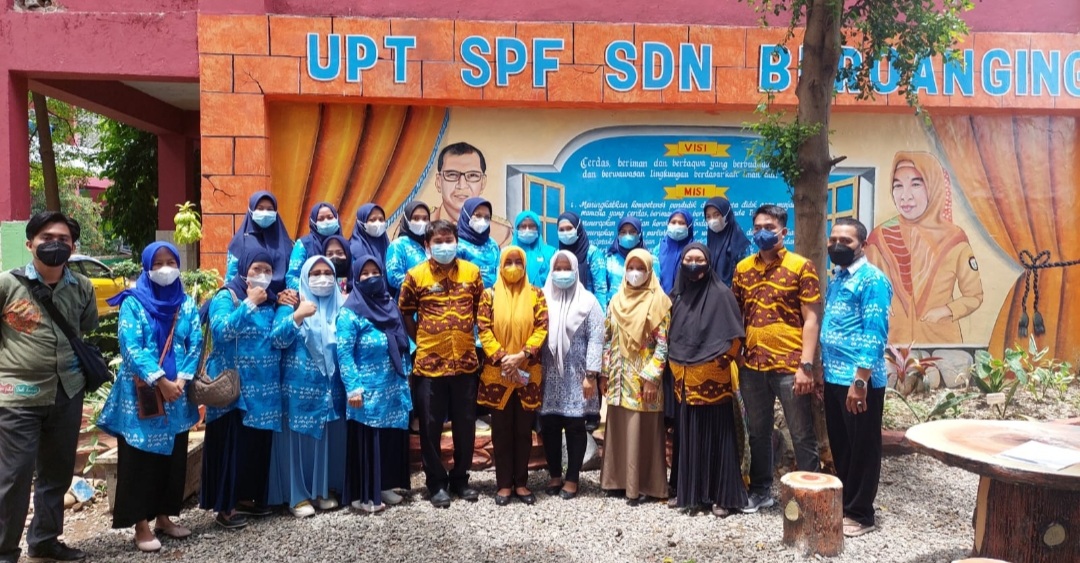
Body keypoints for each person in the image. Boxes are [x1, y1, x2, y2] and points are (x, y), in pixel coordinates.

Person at [0, 211, 97, 563]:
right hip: (18, 395)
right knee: (14, 477)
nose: (55, 245)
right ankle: (4, 552)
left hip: (67, 391)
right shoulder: (7, 285)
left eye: (63, 240)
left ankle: (44, 540)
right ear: (30, 244)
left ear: (73, 247)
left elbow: (85, 328)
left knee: (57, 474)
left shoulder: (82, 287)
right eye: (46, 238)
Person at [97, 242, 201, 552]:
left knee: (173, 458)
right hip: (141, 395)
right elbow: (131, 347)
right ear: (146, 267)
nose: (165, 268)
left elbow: (195, 341)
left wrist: (180, 380)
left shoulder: (186, 303)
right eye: (158, 263)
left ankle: (164, 518)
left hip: (177, 396)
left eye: (171, 262)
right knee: (139, 459)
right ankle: (140, 526)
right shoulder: (133, 303)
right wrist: (161, 381)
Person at [731, 204, 822, 513]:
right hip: (753, 366)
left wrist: (806, 366)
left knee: (801, 433)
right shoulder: (743, 269)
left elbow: (811, 320)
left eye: (768, 227)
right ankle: (761, 491)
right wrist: (737, 356)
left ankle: (811, 496)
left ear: (784, 231)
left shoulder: (801, 266)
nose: (762, 233)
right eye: (757, 227)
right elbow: (737, 315)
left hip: (790, 366)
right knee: (758, 432)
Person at [398, 219, 485, 507]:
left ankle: (461, 479)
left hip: (465, 363)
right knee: (430, 426)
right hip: (429, 365)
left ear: (457, 242)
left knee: (465, 425)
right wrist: (422, 341)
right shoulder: (415, 275)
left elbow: (479, 309)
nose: (444, 246)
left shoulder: (472, 272)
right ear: (427, 245)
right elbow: (405, 312)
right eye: (438, 241)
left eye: (449, 240)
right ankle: (436, 483)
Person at [200, 250, 283, 529]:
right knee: (231, 448)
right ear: (244, 269)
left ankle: (247, 498)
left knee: (253, 447)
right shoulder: (227, 296)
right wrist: (249, 303)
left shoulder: (271, 300)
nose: (262, 275)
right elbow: (221, 331)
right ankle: (226, 507)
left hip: (263, 389)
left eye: (267, 270)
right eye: (256, 268)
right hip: (232, 387)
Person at [820, 218, 892, 537]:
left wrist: (860, 381)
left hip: (858, 381)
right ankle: (847, 503)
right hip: (835, 378)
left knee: (863, 447)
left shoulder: (872, 280)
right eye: (833, 239)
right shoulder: (838, 278)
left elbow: (875, 333)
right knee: (843, 446)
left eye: (846, 241)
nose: (837, 245)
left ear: (862, 245)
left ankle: (862, 514)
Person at [865, 151, 983, 344]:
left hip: (941, 344)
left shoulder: (954, 239)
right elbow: (866, 286)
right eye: (897, 186)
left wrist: (946, 311)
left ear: (933, 186)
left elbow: (974, 295)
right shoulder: (879, 238)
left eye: (916, 184)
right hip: (892, 345)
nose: (905, 196)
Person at [668, 243, 748, 518]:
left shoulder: (722, 294)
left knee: (717, 437)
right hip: (685, 380)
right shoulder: (678, 296)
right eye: (688, 259)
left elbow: (736, 338)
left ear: (709, 263)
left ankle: (722, 496)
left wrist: (718, 362)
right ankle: (691, 495)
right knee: (689, 436)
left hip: (713, 380)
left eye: (699, 259)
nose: (693, 264)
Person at [267, 256, 347, 518]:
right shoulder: (290, 304)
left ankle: (322, 490)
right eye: (315, 273)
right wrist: (298, 317)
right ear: (304, 277)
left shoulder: (342, 305)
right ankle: (297, 495)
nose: (322, 278)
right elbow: (276, 340)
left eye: (327, 273)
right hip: (297, 388)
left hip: (330, 388)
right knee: (298, 442)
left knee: (326, 438)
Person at [338, 252, 413, 514]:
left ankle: (385, 485)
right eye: (365, 274)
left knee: (390, 438)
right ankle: (363, 495)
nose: (371, 278)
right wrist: (353, 387)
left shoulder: (389, 305)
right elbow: (344, 352)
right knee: (368, 440)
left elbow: (402, 342)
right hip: (366, 390)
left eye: (375, 273)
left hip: (392, 386)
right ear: (356, 278)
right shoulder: (350, 312)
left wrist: (407, 375)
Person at [477, 247, 549, 506]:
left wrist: (521, 355)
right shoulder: (489, 295)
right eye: (509, 261)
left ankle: (521, 483)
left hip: (527, 371)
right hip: (499, 373)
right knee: (501, 430)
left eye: (519, 262)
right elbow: (483, 328)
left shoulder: (536, 294)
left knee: (523, 430)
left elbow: (542, 326)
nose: (514, 266)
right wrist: (502, 358)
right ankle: (504, 484)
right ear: (501, 265)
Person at [599, 249, 671, 505]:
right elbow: (607, 339)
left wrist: (652, 378)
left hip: (643, 381)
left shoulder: (659, 302)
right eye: (631, 267)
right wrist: (604, 374)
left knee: (641, 431)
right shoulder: (616, 301)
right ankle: (617, 481)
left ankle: (643, 485)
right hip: (618, 378)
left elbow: (663, 345)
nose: (635, 273)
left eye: (641, 268)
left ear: (650, 271)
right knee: (619, 430)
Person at [539, 251, 604, 501]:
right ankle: (555, 475)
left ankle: (573, 478)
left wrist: (591, 375)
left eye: (567, 268)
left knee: (576, 426)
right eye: (558, 268)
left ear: (576, 270)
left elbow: (596, 339)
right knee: (550, 425)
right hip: (548, 375)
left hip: (578, 376)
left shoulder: (588, 302)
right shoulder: (542, 298)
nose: (562, 273)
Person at [429, 142, 513, 247]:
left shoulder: (502, 235)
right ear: (438, 182)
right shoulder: (421, 228)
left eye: (472, 175)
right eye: (452, 175)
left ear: (483, 183)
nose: (462, 185)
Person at [225, 191, 294, 295]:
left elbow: (291, 274)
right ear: (251, 210)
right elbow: (231, 276)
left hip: (281, 299)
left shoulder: (285, 243)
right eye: (260, 208)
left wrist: (287, 294)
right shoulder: (240, 241)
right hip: (246, 296)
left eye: (270, 209)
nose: (265, 213)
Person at [556, 212, 608, 311]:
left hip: (588, 310)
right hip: (563, 310)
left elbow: (600, 289)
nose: (565, 233)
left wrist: (600, 315)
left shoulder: (592, 253)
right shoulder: (558, 255)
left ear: (578, 229)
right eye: (561, 230)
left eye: (569, 228)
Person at [286, 202, 343, 291]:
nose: (326, 222)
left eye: (330, 217)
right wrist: (311, 292)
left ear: (337, 218)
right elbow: (292, 277)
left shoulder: (344, 245)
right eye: (320, 219)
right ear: (313, 222)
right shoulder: (303, 244)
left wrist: (338, 294)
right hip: (308, 295)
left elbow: (347, 274)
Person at [703, 197, 751, 287]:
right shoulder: (710, 241)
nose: (712, 220)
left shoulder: (740, 245)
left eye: (717, 215)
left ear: (727, 215)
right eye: (708, 217)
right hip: (711, 292)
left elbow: (745, 276)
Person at [386, 201, 431, 295]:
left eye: (425, 218)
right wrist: (420, 285)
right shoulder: (398, 245)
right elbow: (394, 276)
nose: (421, 222)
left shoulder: (431, 243)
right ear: (406, 220)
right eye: (416, 218)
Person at [457, 197, 502, 288]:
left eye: (487, 217)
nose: (483, 220)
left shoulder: (492, 244)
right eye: (478, 215)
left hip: (492, 294)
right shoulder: (457, 244)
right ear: (466, 215)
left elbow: (499, 271)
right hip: (466, 294)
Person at [604, 216, 645, 306]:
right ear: (618, 236)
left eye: (632, 232)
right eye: (623, 232)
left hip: (642, 308)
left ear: (640, 235)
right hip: (615, 309)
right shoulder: (609, 260)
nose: (628, 236)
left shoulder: (649, 261)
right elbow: (603, 290)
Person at [652, 209, 695, 294]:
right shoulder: (658, 249)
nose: (677, 226)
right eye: (673, 222)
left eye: (681, 223)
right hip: (661, 298)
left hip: (687, 298)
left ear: (689, 226)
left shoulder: (695, 249)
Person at [513, 210, 556, 289]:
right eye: (523, 226)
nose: (527, 229)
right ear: (517, 229)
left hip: (542, 296)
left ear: (538, 229)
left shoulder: (550, 253)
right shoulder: (507, 253)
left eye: (531, 226)